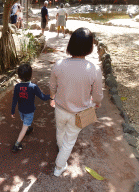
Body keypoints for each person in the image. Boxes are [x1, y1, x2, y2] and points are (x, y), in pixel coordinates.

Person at [49, 28, 103, 176]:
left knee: (60, 132)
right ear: (89, 47)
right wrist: (97, 103)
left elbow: (52, 86)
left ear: (70, 44)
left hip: (60, 108)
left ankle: (61, 154)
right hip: (80, 112)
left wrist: (52, 97)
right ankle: (59, 166)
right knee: (70, 140)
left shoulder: (59, 64)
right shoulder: (94, 69)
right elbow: (98, 95)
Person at [11, 63, 50, 152]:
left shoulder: (17, 86)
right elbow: (43, 97)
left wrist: (12, 111)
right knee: (24, 128)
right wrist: (51, 96)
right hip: (29, 111)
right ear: (30, 75)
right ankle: (16, 144)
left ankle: (28, 128)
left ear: (19, 76)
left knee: (24, 121)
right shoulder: (33, 87)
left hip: (20, 110)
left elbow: (14, 100)